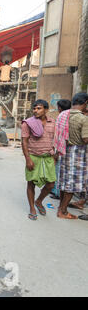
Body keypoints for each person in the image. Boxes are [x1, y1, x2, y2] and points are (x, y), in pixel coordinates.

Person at [21, 100, 56, 221]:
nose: (36, 111)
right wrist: (28, 159)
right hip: (34, 157)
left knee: (51, 184)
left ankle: (39, 201)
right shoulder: (28, 123)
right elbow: (24, 141)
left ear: (46, 110)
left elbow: (54, 140)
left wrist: (54, 156)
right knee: (31, 183)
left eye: (39, 108)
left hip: (48, 157)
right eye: (34, 108)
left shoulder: (53, 122)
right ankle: (32, 208)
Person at [57, 92, 88, 220]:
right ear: (85, 103)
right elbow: (85, 139)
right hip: (77, 152)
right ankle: (63, 211)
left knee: (64, 182)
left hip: (65, 150)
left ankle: (60, 207)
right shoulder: (83, 119)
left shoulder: (64, 115)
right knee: (72, 184)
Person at [50, 99, 72, 200]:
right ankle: (58, 191)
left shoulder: (62, 116)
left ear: (59, 107)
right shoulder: (70, 114)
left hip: (61, 147)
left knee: (58, 171)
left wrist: (57, 150)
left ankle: (57, 192)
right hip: (67, 147)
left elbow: (61, 134)